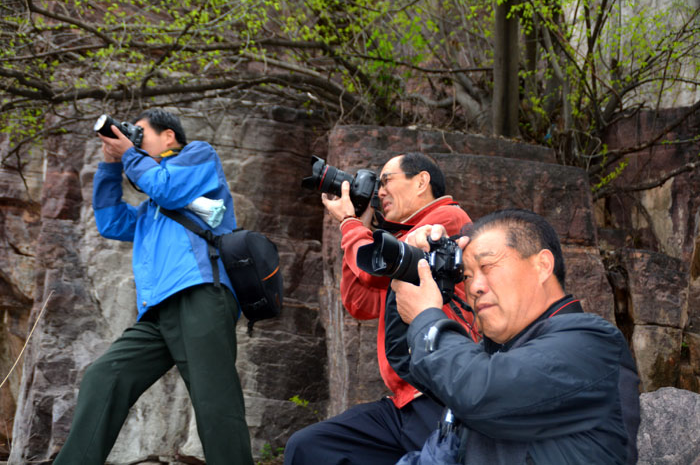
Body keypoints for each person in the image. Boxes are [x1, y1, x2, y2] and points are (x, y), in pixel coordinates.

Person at [54, 109, 253, 465]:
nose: (134, 140)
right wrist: (111, 165)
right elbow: (111, 221)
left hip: (200, 295)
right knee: (105, 377)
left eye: (140, 134)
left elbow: (168, 188)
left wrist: (129, 154)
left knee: (214, 402)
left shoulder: (199, 156)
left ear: (169, 137)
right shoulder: (151, 210)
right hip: (158, 310)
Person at [390, 209, 641, 464]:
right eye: (466, 276)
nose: (474, 287)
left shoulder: (592, 345)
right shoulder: (500, 354)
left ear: (542, 265)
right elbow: (408, 362)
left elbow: (480, 390)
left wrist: (427, 318)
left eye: (487, 266)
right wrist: (414, 271)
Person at [284, 153, 479, 464]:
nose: (380, 192)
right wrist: (358, 225)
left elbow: (372, 270)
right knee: (310, 446)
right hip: (405, 401)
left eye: (386, 181)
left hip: (440, 395)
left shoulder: (446, 221)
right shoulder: (403, 237)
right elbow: (360, 303)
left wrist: (349, 224)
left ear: (421, 181)